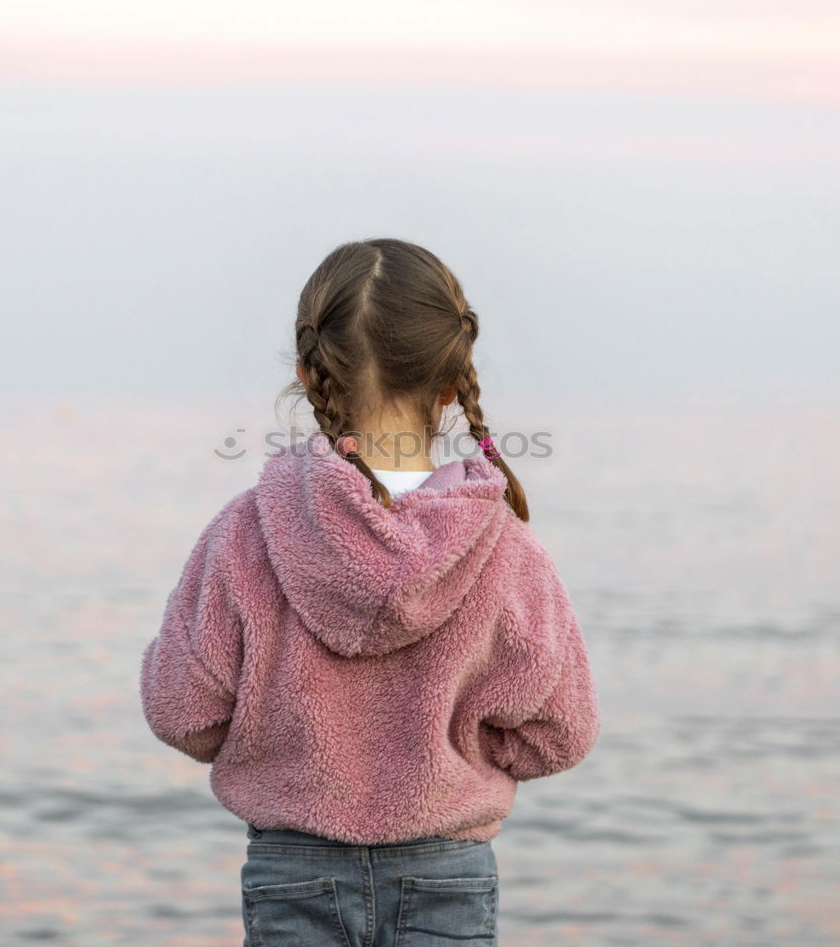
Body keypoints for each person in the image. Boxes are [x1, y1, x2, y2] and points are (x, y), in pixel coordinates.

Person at [139, 237, 601, 946]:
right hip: (447, 870)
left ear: (307, 370)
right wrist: (456, 761)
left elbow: (182, 710)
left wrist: (276, 748)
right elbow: (560, 733)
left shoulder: (245, 533)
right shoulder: (505, 548)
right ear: (450, 382)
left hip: (292, 865)